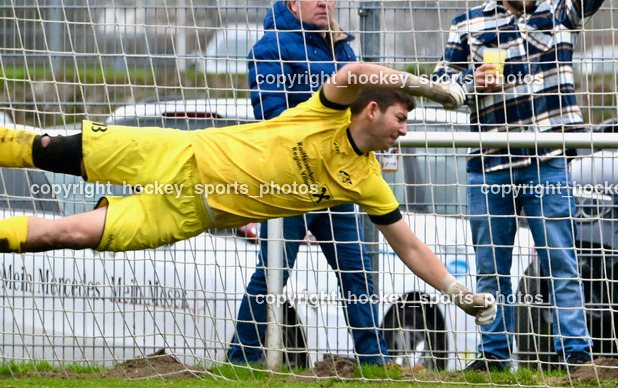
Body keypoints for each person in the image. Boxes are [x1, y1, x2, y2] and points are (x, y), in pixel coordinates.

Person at [0, 63, 497, 330]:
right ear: (371, 111)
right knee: (50, 150)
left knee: (67, 233)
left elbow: (408, 245)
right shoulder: (323, 114)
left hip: (189, 211)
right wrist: (428, 88)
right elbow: (351, 72)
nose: (404, 131)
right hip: (181, 154)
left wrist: (456, 293)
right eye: (401, 119)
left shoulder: (368, 180)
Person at [431, 0, 615, 372]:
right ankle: (493, 356)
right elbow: (438, 82)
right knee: (490, 267)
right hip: (489, 167)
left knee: (561, 262)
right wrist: (472, 82)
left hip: (546, 161)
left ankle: (574, 355)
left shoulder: (558, 15)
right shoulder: (466, 28)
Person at [227, 0, 391, 366]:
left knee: (357, 272)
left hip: (336, 183)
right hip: (291, 184)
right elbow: (273, 119)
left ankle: (373, 360)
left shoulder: (342, 50)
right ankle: (241, 358)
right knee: (273, 274)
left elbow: (357, 116)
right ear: (293, 1)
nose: (324, 1)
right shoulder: (270, 48)